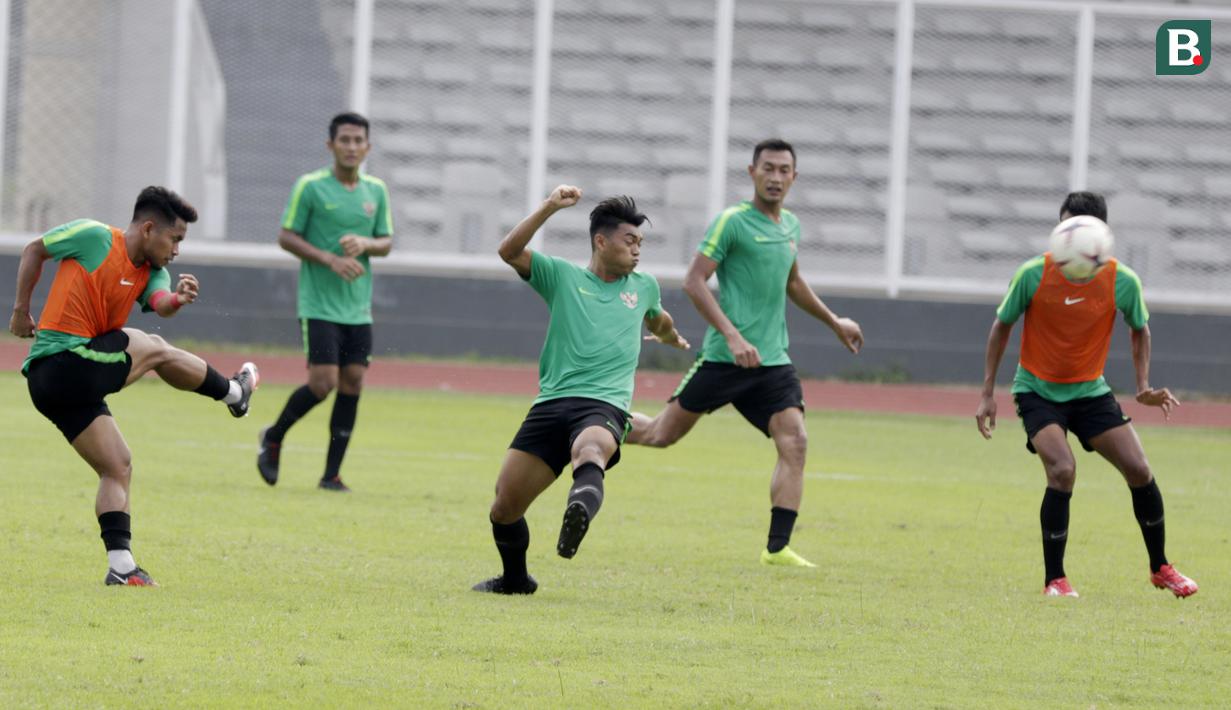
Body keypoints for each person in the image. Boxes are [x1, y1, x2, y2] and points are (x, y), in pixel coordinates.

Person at [626, 138, 864, 568]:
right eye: (767, 168)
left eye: (784, 170)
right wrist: (733, 337)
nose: (775, 177)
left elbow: (792, 283)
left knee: (795, 441)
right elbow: (694, 281)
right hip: (724, 358)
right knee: (660, 435)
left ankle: (777, 549)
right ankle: (593, 421)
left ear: (794, 177)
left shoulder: (790, 226)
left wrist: (834, 321)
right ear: (751, 172)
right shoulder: (731, 223)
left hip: (773, 361)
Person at [9, 186, 259, 587]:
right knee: (154, 347)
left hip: (52, 386)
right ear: (148, 228)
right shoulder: (94, 237)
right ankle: (234, 393)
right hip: (64, 362)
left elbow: (160, 303)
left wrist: (176, 300)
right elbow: (34, 249)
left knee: (118, 465)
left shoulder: (153, 271)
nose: (177, 250)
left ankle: (122, 568)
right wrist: (21, 310)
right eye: (174, 239)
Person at [975, 190, 1198, 598]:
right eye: (1061, 228)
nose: (1065, 237)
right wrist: (988, 392)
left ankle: (1160, 567)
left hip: (1090, 392)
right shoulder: (1033, 274)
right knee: (1062, 469)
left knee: (1139, 469)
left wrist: (1143, 386)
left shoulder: (1122, 280)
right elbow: (1001, 326)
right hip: (1037, 390)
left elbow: (1139, 329)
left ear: (1099, 235)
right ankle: (1055, 580)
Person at [472, 186, 689, 595]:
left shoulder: (643, 287)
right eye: (630, 241)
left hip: (603, 404)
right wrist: (550, 206)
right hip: (551, 404)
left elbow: (659, 319)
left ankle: (578, 514)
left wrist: (672, 337)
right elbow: (509, 250)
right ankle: (516, 580)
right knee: (504, 506)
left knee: (589, 451)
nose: (638, 251)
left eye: (641, 243)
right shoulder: (563, 277)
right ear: (601, 241)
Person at [256, 112, 393, 492]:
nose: (351, 147)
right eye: (344, 140)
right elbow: (286, 236)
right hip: (318, 304)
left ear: (368, 147)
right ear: (330, 145)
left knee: (353, 381)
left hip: (358, 307)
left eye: (358, 140)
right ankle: (273, 435)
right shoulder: (311, 187)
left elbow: (386, 242)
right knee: (323, 383)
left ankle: (331, 475)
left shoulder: (376, 191)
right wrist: (329, 258)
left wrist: (366, 244)